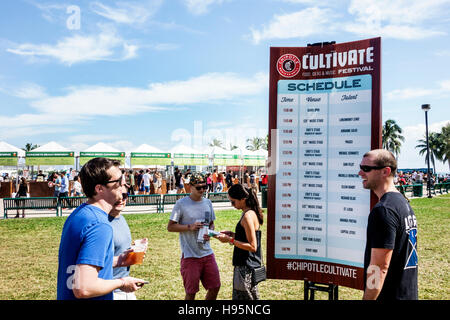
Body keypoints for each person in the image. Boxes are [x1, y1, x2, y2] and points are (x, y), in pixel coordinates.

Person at [57, 157, 146, 300]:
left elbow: (83, 264)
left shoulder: (80, 214)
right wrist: (122, 282)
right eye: (118, 181)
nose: (124, 184)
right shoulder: (100, 225)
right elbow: (84, 289)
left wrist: (121, 260)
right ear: (99, 188)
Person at [359, 149, 418, 300]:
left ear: (385, 171)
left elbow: (378, 269)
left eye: (366, 168)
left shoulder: (383, 210)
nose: (360, 173)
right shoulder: (402, 203)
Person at [167, 173, 221, 300]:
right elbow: (170, 227)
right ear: (190, 187)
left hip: (207, 253)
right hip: (190, 255)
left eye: (205, 187)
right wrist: (189, 227)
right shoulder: (181, 204)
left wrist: (210, 232)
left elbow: (211, 223)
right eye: (199, 188)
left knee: (215, 287)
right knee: (191, 292)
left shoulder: (208, 202)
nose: (202, 190)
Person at [213, 184, 264, 300]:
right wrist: (233, 234)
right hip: (246, 266)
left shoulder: (248, 216)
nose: (232, 205)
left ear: (243, 199)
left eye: (233, 202)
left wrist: (230, 240)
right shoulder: (249, 213)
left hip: (245, 268)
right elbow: (247, 237)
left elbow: (252, 246)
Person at [109, 193, 147, 300]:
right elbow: (95, 262)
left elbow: (118, 248)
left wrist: (134, 249)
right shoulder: (103, 224)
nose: (121, 199)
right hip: (111, 289)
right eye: (117, 195)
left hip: (126, 286)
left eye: (124, 195)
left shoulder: (121, 219)